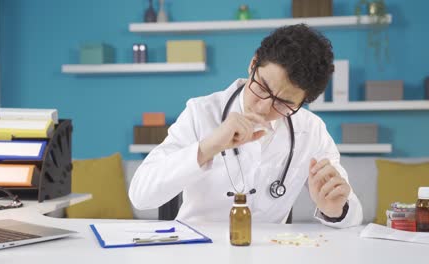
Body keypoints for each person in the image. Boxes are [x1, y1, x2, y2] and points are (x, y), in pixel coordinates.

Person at [129, 24, 363, 228]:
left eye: (283, 103)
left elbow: (353, 211)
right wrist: (208, 147)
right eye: (262, 87)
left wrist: (336, 209)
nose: (263, 108)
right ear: (253, 64)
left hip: (268, 254)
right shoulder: (201, 113)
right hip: (198, 249)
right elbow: (140, 195)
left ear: (303, 103)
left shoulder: (311, 131)